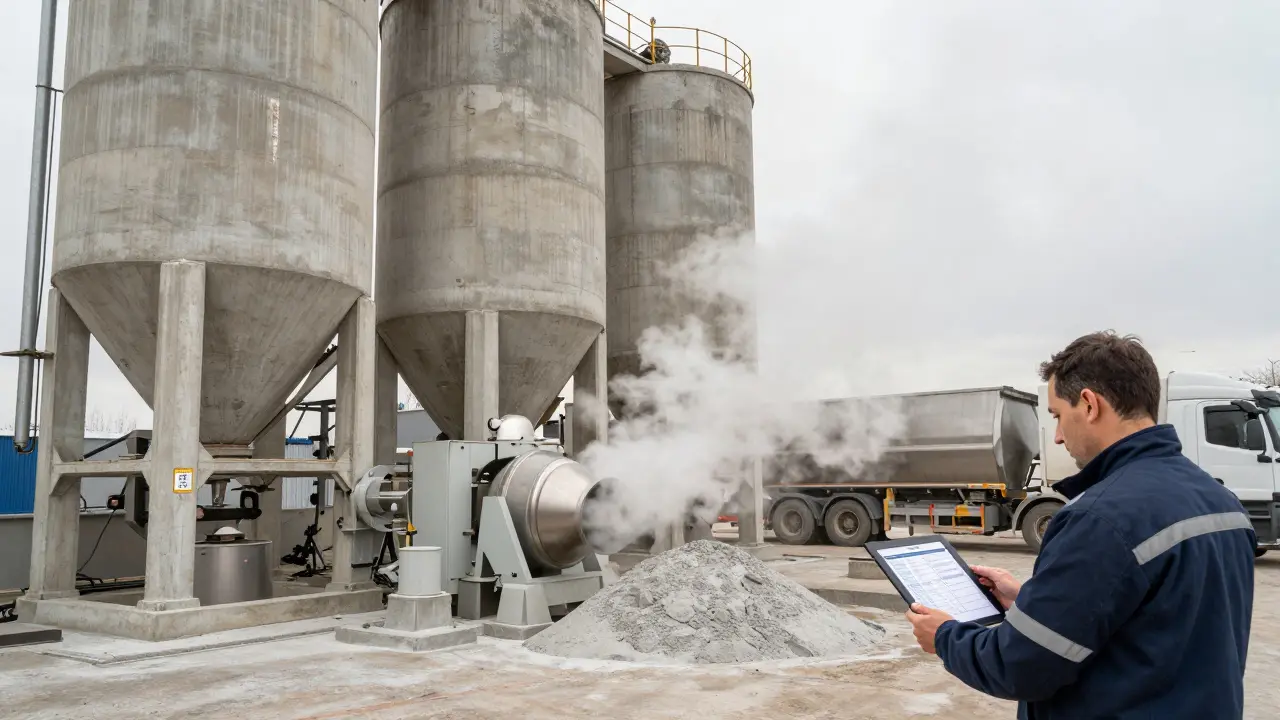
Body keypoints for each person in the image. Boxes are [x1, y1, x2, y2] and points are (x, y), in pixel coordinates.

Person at [905, 331, 1256, 718]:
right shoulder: (1221, 502)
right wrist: (1029, 601)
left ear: (1089, 404)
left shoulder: (1100, 519)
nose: (1056, 437)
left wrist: (944, 637)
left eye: (1057, 415)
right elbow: (1158, 619)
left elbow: (1019, 666)